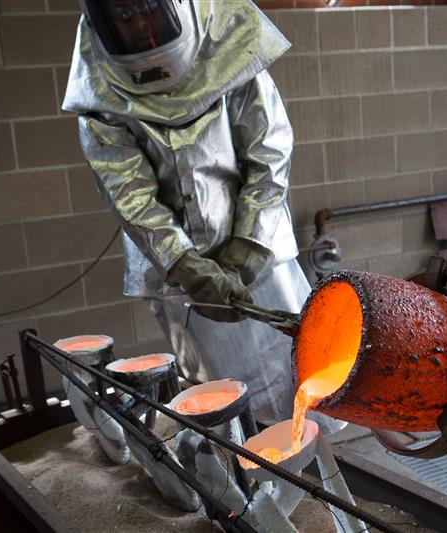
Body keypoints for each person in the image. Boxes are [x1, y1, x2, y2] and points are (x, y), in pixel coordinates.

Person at [63, 0, 341, 432]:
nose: (139, 24)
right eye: (123, 17)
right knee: (212, 400)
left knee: (297, 379)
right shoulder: (100, 94)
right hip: (176, 278)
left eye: (148, 9)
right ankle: (237, 483)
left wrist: (247, 246)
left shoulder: (230, 42)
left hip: (258, 255)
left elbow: (267, 154)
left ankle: (312, 469)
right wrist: (187, 267)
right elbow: (130, 194)